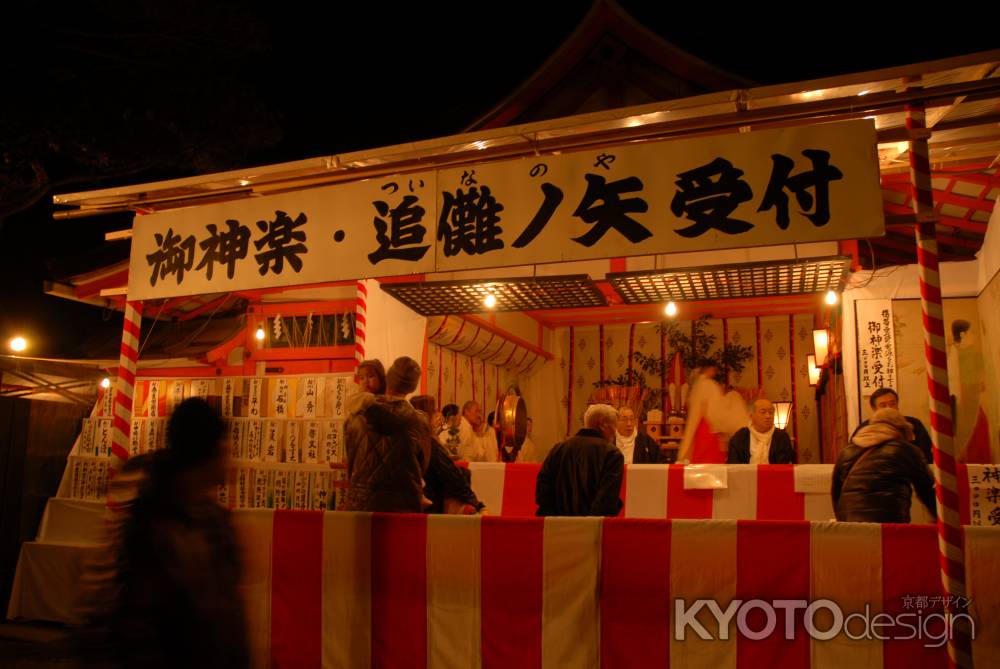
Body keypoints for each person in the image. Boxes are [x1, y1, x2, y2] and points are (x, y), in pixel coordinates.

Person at [79, 397, 248, 669]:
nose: (232, 460)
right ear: (211, 452)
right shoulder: (150, 522)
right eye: (227, 449)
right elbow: (132, 616)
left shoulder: (213, 519)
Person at [339, 356, 432, 512]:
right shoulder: (419, 421)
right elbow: (423, 465)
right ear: (412, 388)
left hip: (359, 506)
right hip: (403, 505)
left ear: (387, 379)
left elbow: (351, 458)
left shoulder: (355, 417)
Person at [832, 407, 936, 523]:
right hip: (888, 524)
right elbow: (928, 491)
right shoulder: (906, 450)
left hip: (849, 523)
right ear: (901, 429)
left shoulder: (846, 452)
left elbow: (836, 493)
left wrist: (842, 520)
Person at [536, 404, 624, 517]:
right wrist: (587, 523)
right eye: (614, 425)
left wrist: (555, 518)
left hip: (557, 524)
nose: (615, 432)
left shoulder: (558, 449)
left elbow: (542, 491)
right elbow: (607, 500)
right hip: (593, 525)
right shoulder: (612, 454)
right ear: (602, 424)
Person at [410, 394, 487, 515]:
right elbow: (451, 474)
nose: (437, 414)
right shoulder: (428, 442)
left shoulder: (411, 437)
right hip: (431, 503)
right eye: (434, 411)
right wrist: (476, 503)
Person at [676, 359, 746, 463]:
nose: (714, 373)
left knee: (699, 454)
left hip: (698, 426)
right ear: (708, 369)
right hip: (709, 426)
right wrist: (733, 397)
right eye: (713, 370)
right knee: (710, 457)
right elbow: (716, 408)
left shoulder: (696, 384)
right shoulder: (709, 384)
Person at [852, 388, 933, 464]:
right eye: (883, 405)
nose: (889, 408)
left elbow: (926, 453)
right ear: (874, 409)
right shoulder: (865, 428)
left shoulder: (913, 424)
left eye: (892, 404)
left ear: (897, 405)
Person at [727, 398, 797, 464]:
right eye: (763, 412)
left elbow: (783, 465)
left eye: (771, 413)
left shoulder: (781, 437)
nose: (768, 416)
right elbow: (733, 466)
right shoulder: (740, 437)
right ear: (751, 416)